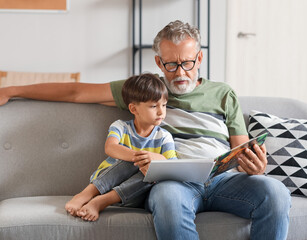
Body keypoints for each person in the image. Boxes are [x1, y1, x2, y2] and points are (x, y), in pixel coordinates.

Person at [0, 20, 291, 239]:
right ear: (158, 62)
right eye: (171, 64)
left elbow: (241, 151)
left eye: (188, 63)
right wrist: (13, 89)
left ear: (199, 59)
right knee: (167, 200)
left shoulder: (223, 93)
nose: (180, 73)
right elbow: (77, 92)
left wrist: (255, 166)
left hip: (220, 180)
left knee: (275, 192)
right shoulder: (145, 89)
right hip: (173, 182)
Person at [65, 73, 177, 221]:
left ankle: (100, 202)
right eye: (153, 106)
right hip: (105, 185)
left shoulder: (164, 137)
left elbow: (173, 167)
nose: (161, 112)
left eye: (163, 105)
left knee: (153, 172)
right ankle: (86, 194)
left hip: (132, 194)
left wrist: (158, 159)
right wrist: (139, 156)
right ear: (134, 109)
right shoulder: (121, 126)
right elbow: (110, 148)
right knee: (135, 159)